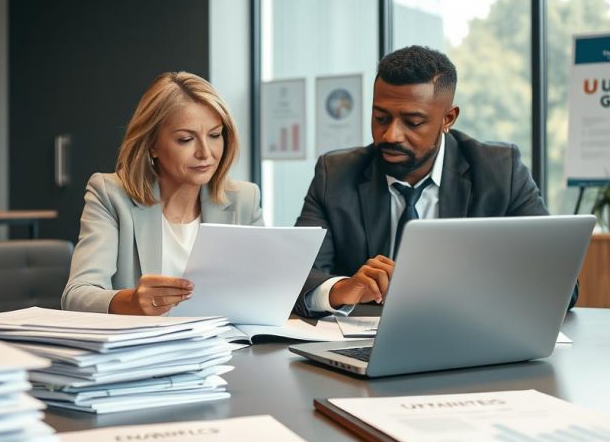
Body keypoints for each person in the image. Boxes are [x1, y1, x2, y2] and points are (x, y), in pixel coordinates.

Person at [295, 45, 574, 317]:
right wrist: (343, 289)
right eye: (381, 118)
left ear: (448, 119)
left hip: (467, 337)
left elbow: (562, 284)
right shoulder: (335, 174)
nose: (391, 135)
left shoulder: (500, 171)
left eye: (412, 122)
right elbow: (296, 278)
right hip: (358, 344)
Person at [62, 72, 263, 315]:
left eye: (215, 135)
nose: (205, 153)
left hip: (225, 346)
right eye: (186, 139)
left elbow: (266, 287)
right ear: (153, 145)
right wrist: (132, 301)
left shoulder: (244, 198)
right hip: (143, 348)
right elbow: (77, 295)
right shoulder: (111, 194)